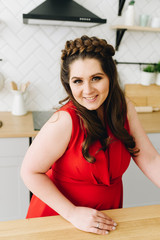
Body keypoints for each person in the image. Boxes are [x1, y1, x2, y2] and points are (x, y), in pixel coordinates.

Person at [21, 35, 160, 235]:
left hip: (106, 218)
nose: (88, 90)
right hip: (59, 218)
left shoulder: (124, 109)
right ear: (69, 84)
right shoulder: (64, 121)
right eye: (78, 81)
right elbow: (29, 172)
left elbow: (149, 157)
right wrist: (72, 213)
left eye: (96, 78)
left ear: (110, 76)